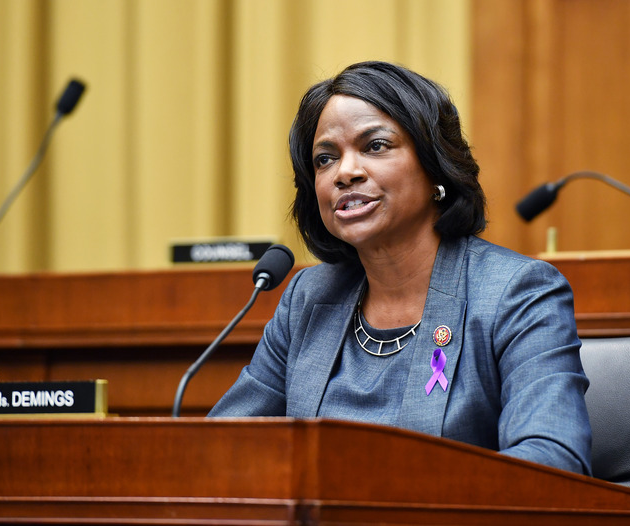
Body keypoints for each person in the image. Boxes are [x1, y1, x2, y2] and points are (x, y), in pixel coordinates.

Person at [208, 61, 592, 475]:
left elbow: (553, 462)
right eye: (325, 159)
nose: (345, 172)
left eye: (375, 146)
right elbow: (221, 448)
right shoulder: (308, 299)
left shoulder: (517, 293)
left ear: (434, 167)